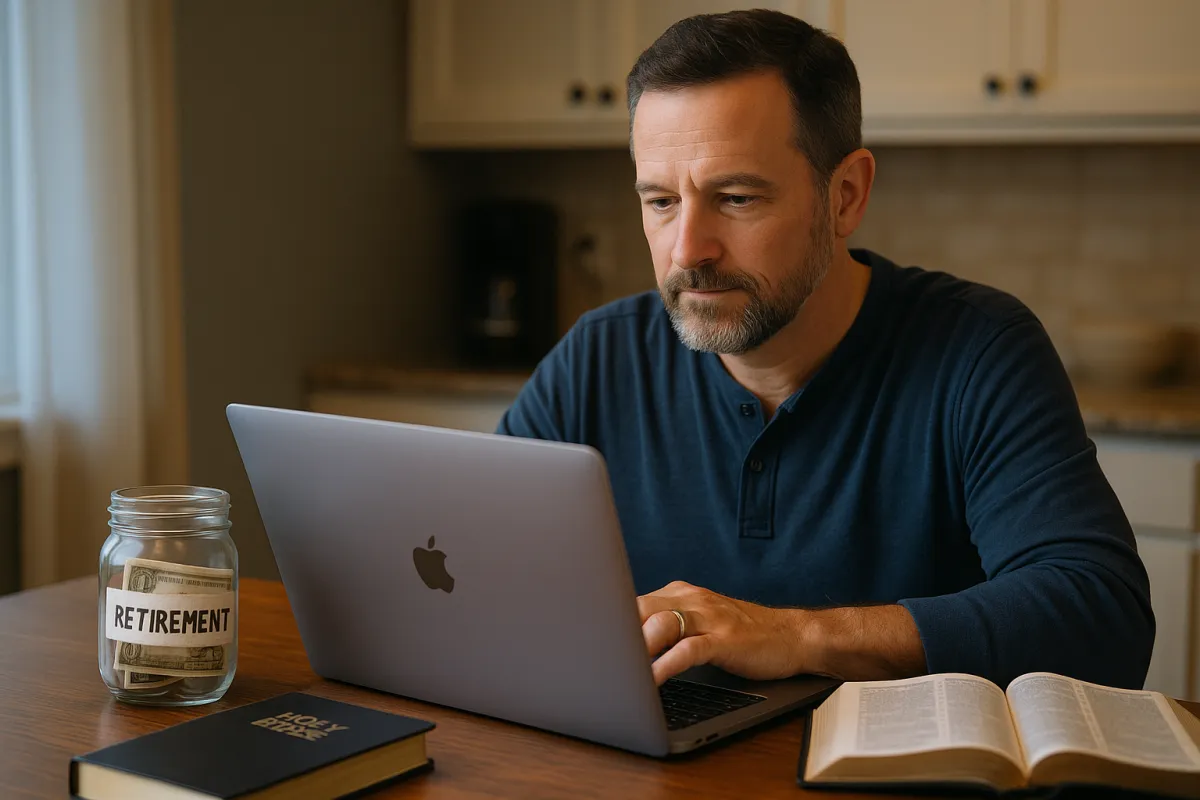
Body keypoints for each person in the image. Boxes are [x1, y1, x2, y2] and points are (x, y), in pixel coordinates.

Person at [496, 9, 1153, 691]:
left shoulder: (977, 351)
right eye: (661, 202)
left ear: (845, 196)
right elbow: (474, 566)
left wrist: (796, 635)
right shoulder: (598, 360)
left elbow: (1102, 618)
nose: (688, 250)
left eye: (738, 197)